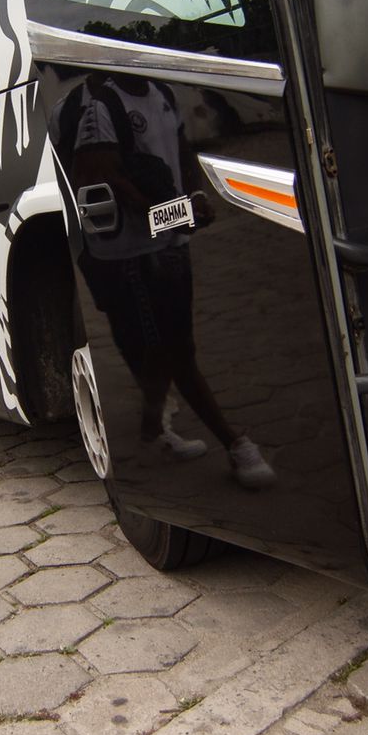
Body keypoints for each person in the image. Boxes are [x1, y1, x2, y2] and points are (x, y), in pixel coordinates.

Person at [61, 71, 275, 488]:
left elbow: (182, 152)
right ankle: (235, 443)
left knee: (165, 351)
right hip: (133, 254)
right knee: (176, 352)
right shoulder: (102, 108)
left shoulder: (162, 92)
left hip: (171, 245)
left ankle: (151, 433)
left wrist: (195, 196)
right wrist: (167, 210)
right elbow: (96, 174)